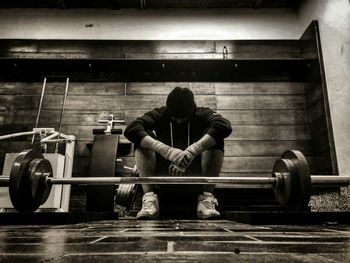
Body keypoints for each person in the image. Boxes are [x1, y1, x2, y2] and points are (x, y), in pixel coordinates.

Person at [124, 87, 232, 219]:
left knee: (216, 137)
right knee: (142, 139)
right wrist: (167, 151)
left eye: (184, 118)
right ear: (168, 110)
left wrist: (191, 152)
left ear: (192, 110)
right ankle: (149, 199)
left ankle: (206, 199)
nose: (179, 121)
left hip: (196, 175)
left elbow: (224, 125)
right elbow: (131, 128)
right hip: (163, 173)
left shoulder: (201, 113)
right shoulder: (160, 113)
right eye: (174, 117)